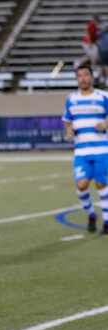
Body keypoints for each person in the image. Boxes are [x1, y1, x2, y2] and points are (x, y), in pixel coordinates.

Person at [63, 63, 108, 234]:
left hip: (102, 149)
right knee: (81, 185)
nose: (83, 78)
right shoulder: (71, 99)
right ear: (77, 79)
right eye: (80, 76)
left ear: (92, 77)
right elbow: (67, 120)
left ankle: (106, 222)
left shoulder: (103, 96)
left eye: (86, 75)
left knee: (101, 184)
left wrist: (105, 124)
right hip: (81, 151)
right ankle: (91, 213)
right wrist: (69, 131)